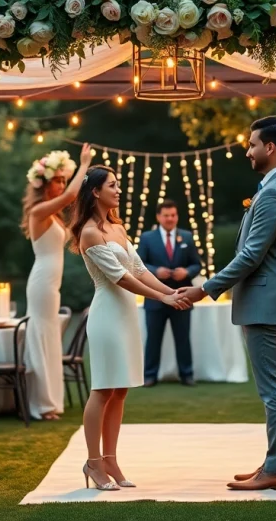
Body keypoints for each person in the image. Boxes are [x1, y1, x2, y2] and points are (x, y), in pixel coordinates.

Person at [180, 116, 276, 491]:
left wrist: (204, 288)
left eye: (252, 144)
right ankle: (275, 463)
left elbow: (251, 255)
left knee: (273, 389)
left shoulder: (273, 192)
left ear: (270, 148)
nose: (248, 151)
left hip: (266, 303)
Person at [68, 165, 192, 490]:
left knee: (120, 390)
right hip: (107, 315)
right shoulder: (90, 233)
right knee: (103, 389)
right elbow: (121, 279)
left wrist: (171, 292)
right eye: (113, 185)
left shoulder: (117, 229)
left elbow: (139, 269)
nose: (119, 190)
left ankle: (111, 459)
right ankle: (93, 462)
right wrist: (160, 300)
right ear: (95, 192)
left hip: (126, 315)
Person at [21, 144, 93, 421]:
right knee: (41, 337)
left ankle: (50, 402)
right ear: (44, 184)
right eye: (58, 180)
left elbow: (73, 201)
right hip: (41, 282)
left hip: (52, 284)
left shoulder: (53, 214)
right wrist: (84, 164)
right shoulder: (38, 211)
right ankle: (42, 404)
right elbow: (72, 195)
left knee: (50, 337)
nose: (62, 185)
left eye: (64, 179)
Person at [137, 200, 203, 386]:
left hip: (182, 295)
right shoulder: (147, 238)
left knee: (183, 337)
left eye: (173, 215)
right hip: (155, 296)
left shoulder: (187, 237)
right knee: (153, 338)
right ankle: (149, 375)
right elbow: (138, 264)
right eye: (166, 215)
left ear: (177, 216)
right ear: (159, 217)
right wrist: (155, 271)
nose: (170, 219)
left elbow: (197, 264)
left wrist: (187, 272)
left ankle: (187, 374)